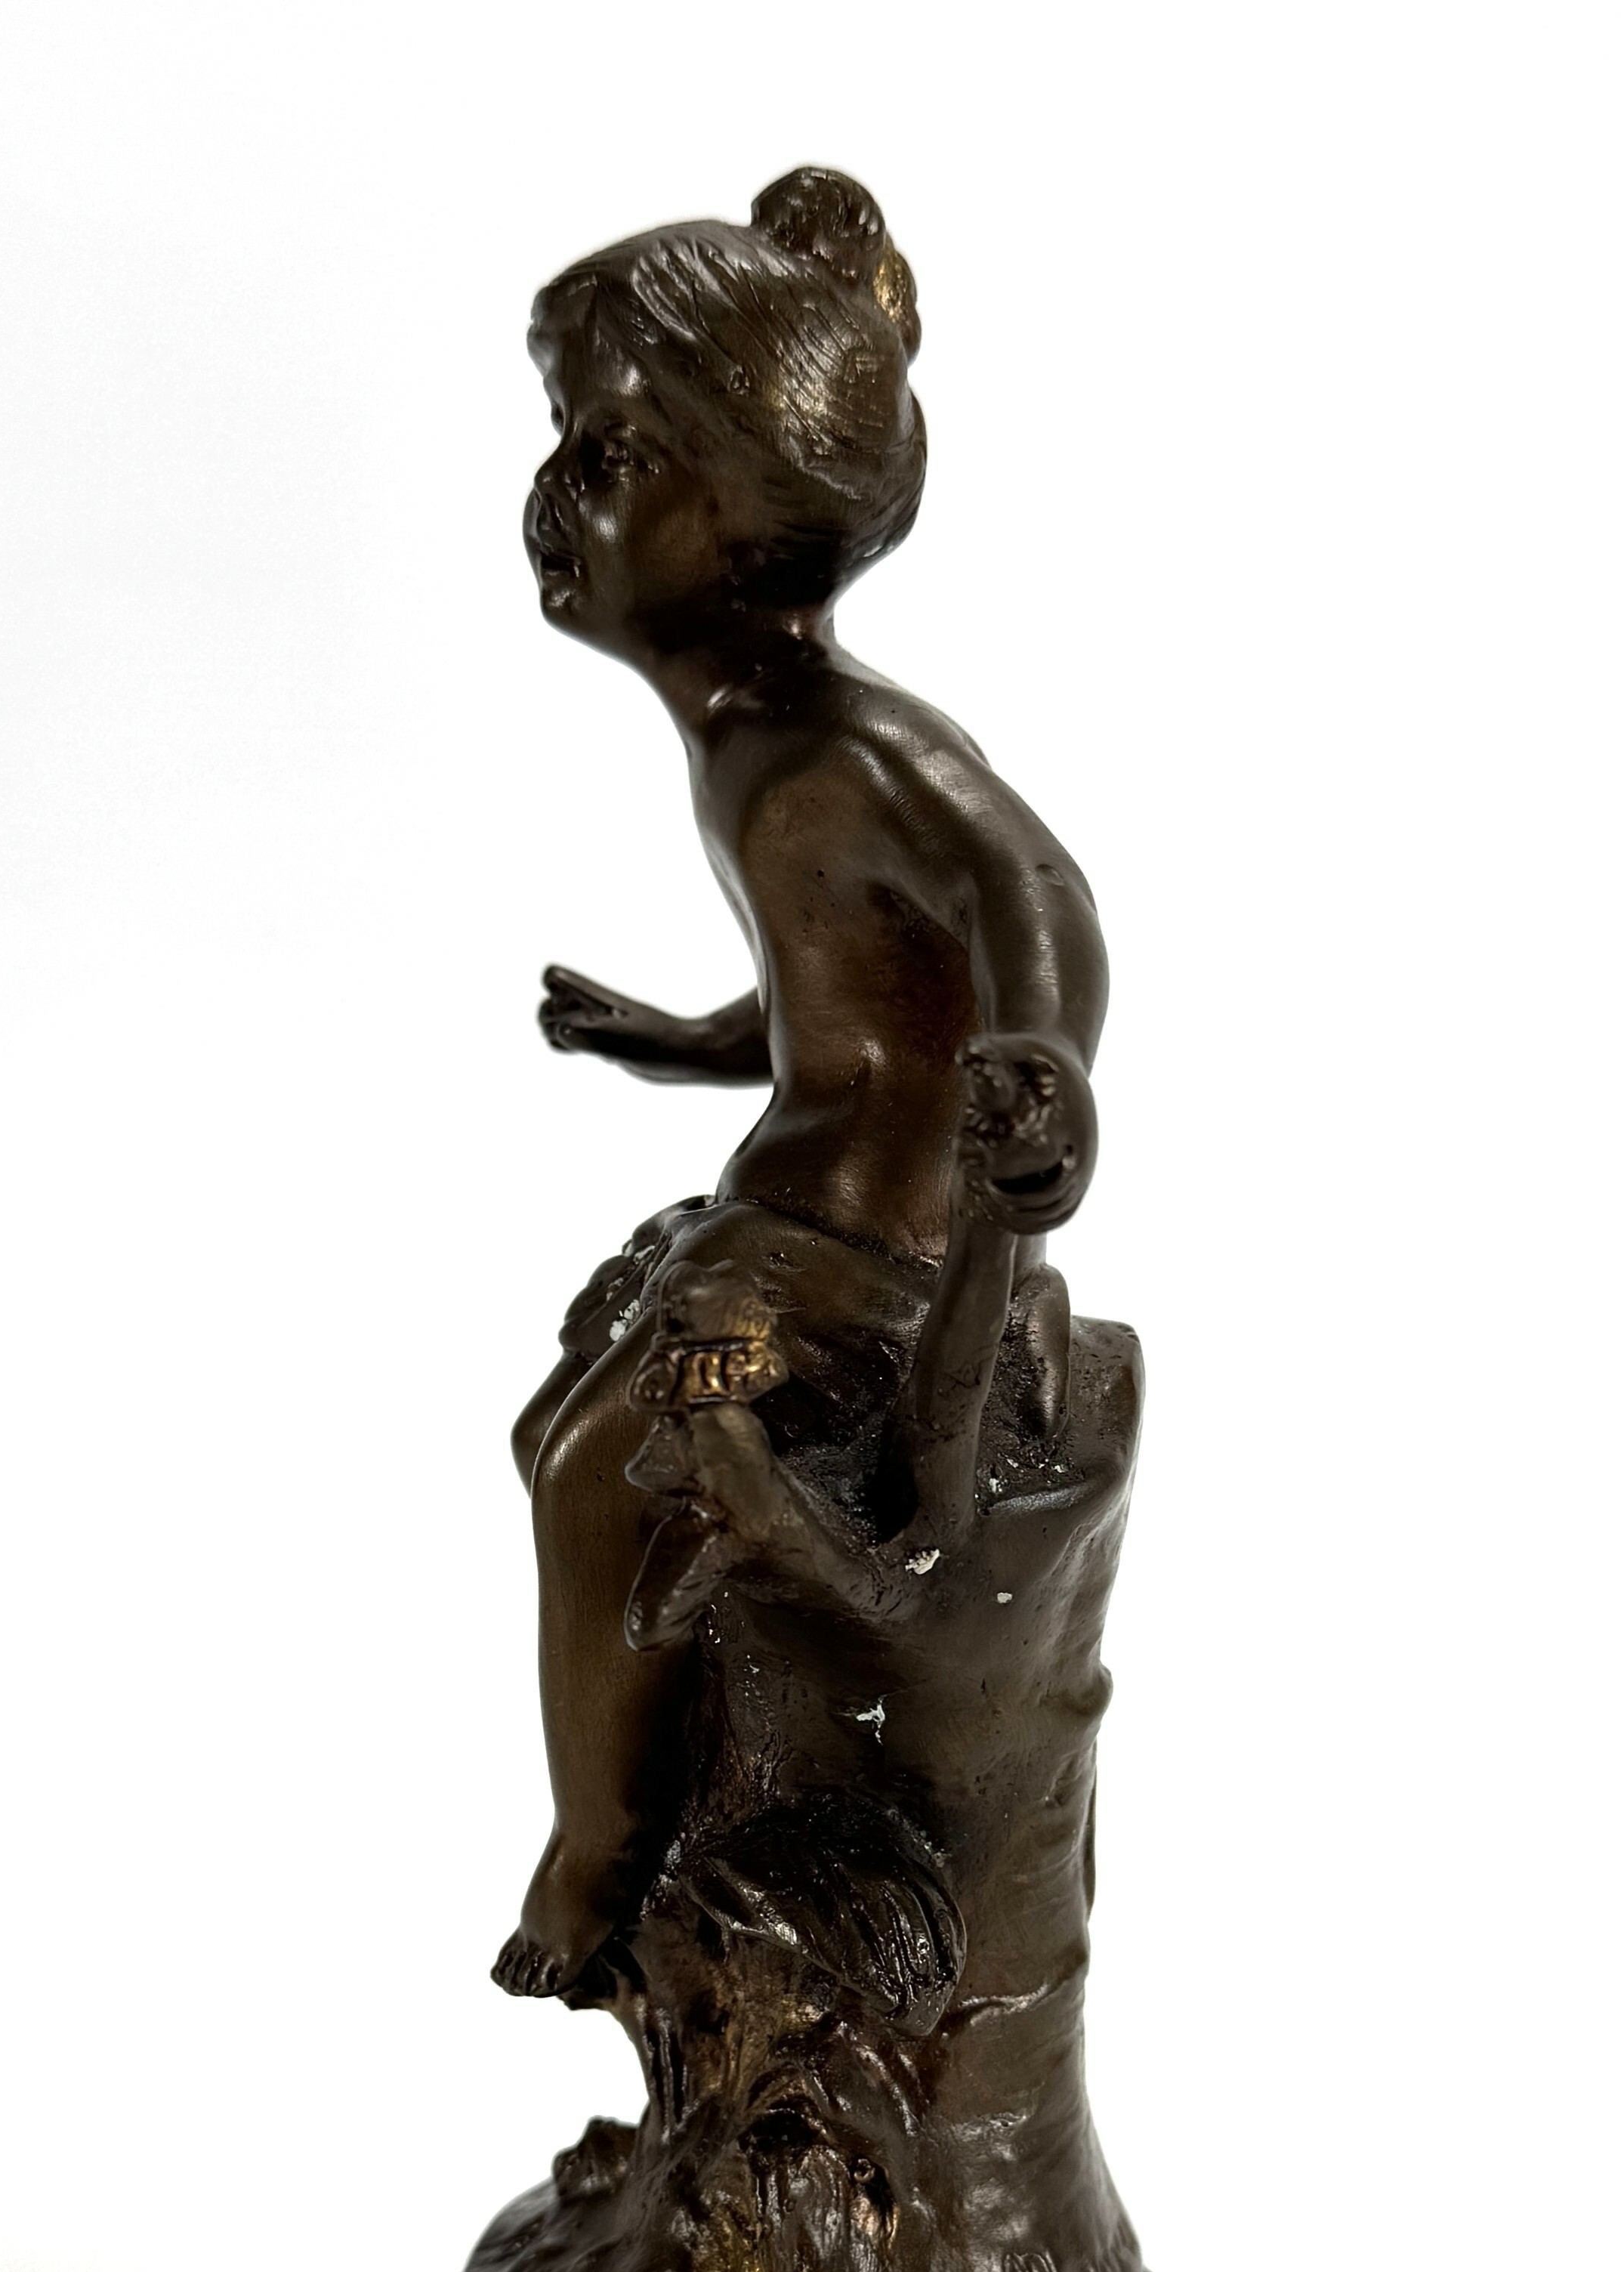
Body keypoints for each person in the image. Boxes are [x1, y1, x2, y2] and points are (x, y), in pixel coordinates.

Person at [502, 166, 1110, 1996]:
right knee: (550, 1435)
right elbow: (846, 1011)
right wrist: (667, 1037)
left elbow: (1035, 895)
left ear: (747, 510)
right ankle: (667, 1770)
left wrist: (1046, 1079)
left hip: (873, 1257)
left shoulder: (848, 746)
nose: (556, 495)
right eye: (564, 441)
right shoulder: (748, 742)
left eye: (608, 453)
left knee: (595, 1468)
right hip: (788, 1209)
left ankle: (599, 1851)